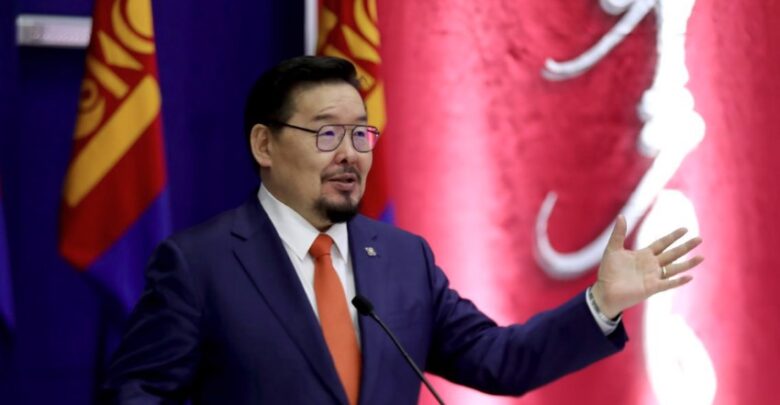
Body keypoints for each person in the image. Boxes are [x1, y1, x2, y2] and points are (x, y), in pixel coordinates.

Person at [101, 56, 703, 404]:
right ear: (265, 144)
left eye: (361, 133)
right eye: (327, 133)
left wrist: (601, 304)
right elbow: (137, 397)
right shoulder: (200, 264)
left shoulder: (401, 257)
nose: (351, 153)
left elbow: (503, 361)